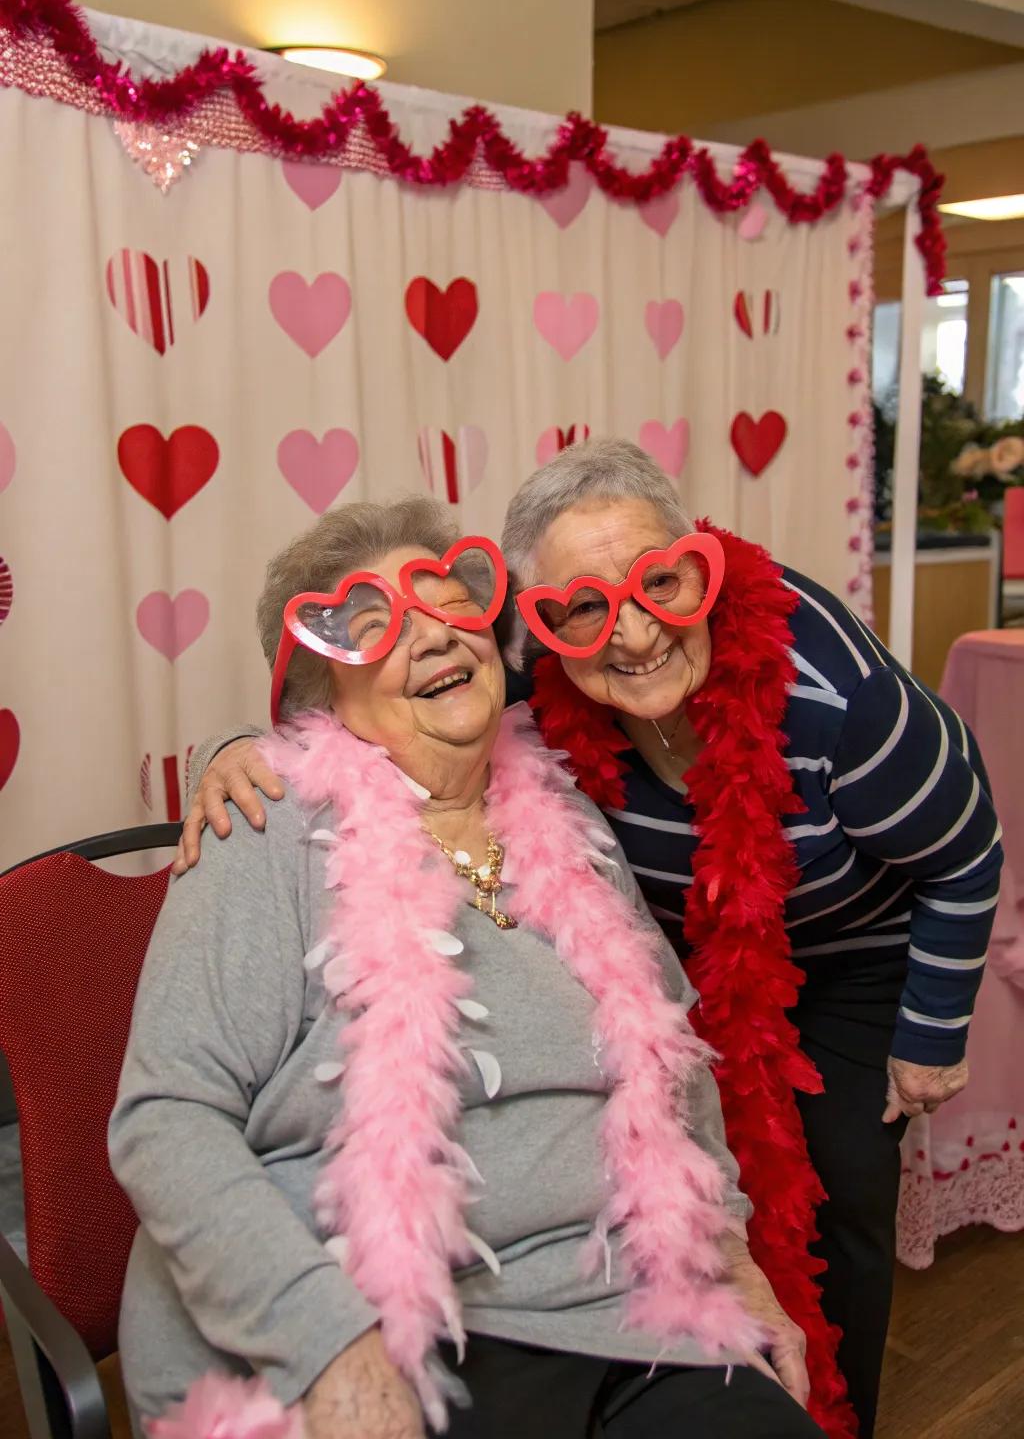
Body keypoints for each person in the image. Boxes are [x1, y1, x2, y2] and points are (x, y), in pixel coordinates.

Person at [183, 444, 1002, 1439]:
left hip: (860, 943)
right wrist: (238, 750)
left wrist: (928, 1033)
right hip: (684, 961)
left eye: (658, 582)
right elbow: (175, 1118)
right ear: (537, 621)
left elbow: (962, 855)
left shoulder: (837, 702)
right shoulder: (492, 720)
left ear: (698, 566)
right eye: (579, 605)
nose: (631, 628)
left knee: (840, 1195)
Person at [110, 496, 824, 1439]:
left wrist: (730, 1257)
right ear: (320, 697)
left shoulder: (569, 824)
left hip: (627, 1321)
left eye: (451, 610)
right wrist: (326, 1339)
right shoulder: (267, 829)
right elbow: (167, 1119)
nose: (434, 637)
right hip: (364, 1330)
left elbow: (672, 1060)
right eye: (378, 628)